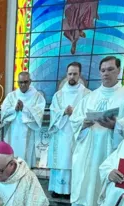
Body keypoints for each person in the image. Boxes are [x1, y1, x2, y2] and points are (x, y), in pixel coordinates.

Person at [68, 56, 124, 206]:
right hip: (87, 146)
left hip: (109, 149)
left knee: (99, 181)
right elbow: (75, 119)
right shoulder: (90, 97)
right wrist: (83, 123)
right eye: (103, 70)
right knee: (83, 180)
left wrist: (116, 125)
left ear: (119, 71)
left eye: (110, 69)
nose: (106, 73)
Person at [48, 61, 91, 198]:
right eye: (70, 74)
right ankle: (56, 189)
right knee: (60, 160)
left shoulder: (87, 95)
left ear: (80, 75)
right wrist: (63, 112)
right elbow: (53, 111)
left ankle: (69, 190)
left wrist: (75, 113)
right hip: (61, 132)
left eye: (75, 74)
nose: (72, 77)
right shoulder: (58, 95)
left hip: (76, 134)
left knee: (72, 160)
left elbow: (89, 114)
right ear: (66, 75)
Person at [1, 72, 46, 167]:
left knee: (25, 160)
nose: (23, 85)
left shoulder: (37, 96)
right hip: (13, 133)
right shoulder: (11, 96)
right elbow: (4, 111)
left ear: (30, 82)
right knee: (12, 159)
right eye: (20, 82)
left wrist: (24, 108)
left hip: (27, 135)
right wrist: (15, 108)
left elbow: (39, 113)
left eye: (25, 82)